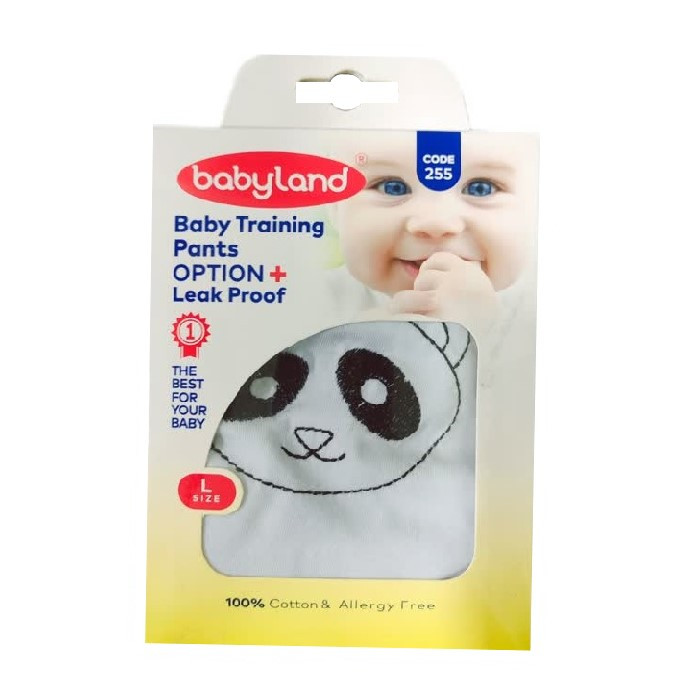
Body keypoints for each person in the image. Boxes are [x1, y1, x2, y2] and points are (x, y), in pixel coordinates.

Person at [325, 130, 538, 338]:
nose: (436, 223)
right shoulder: (317, 299)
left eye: (481, 188)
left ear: (534, 207)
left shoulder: (534, 315)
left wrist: (469, 334)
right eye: (392, 187)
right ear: (334, 208)